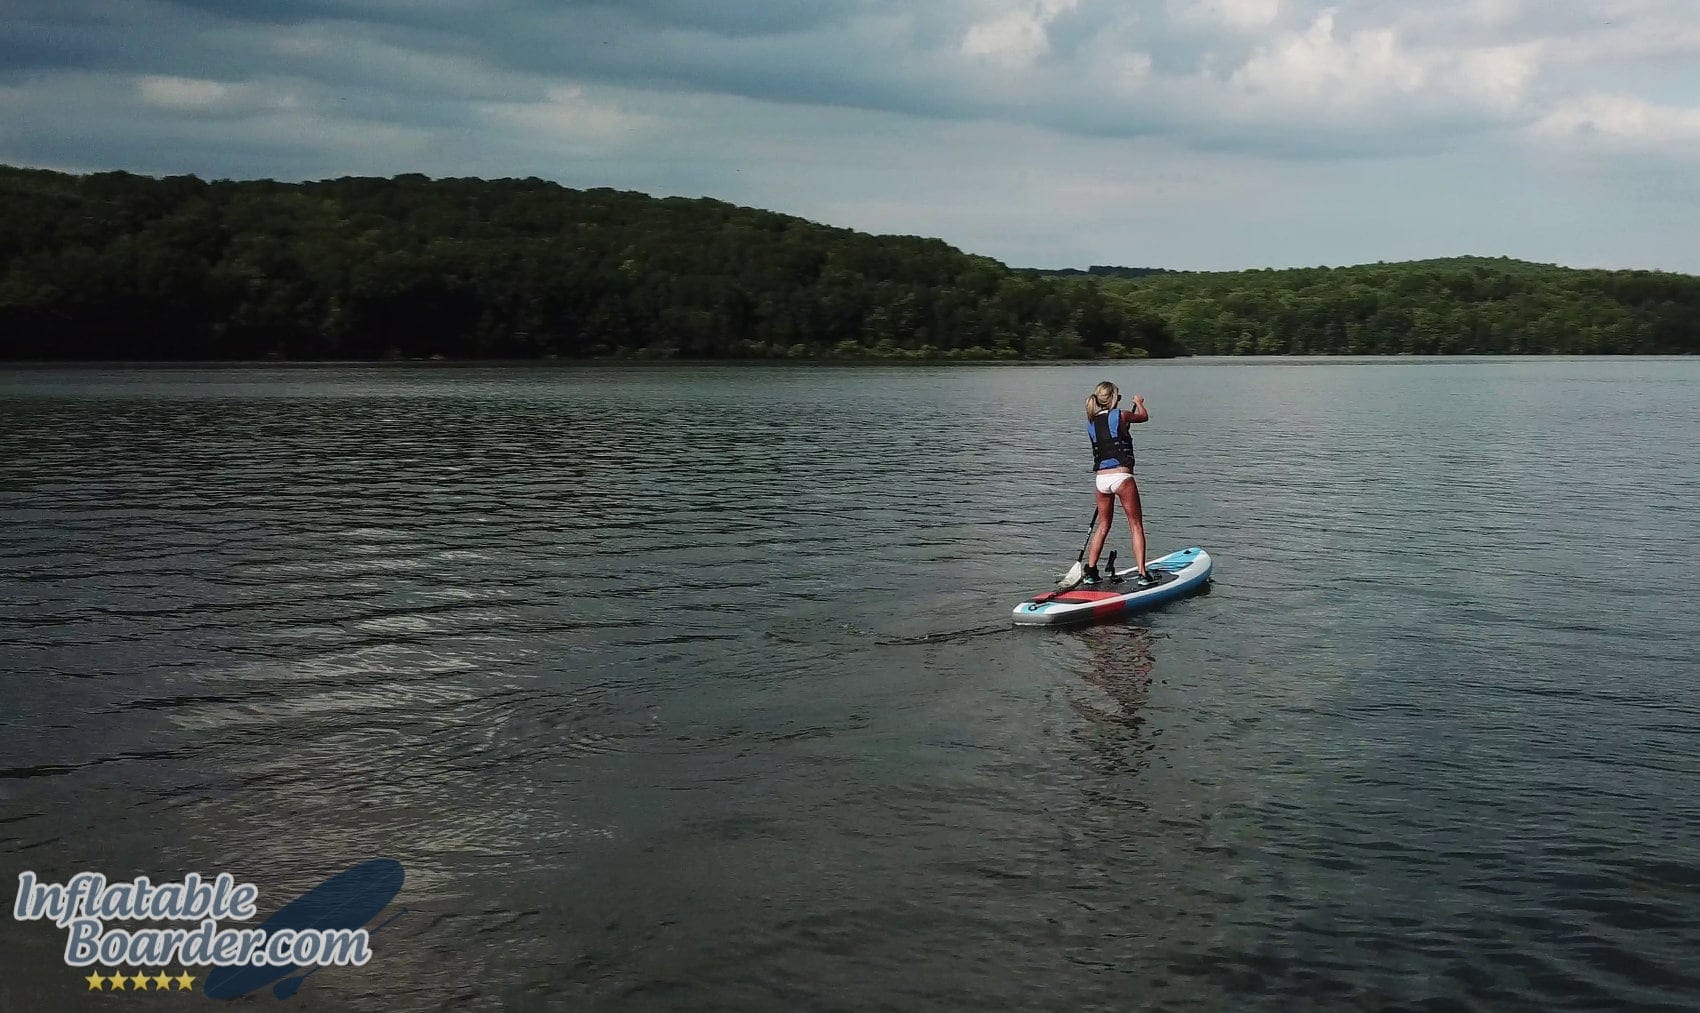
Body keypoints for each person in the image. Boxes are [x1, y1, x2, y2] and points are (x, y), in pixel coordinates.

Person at [1082, 380, 1155, 586]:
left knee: (1103, 525)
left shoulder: (1091, 422)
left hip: (1101, 479)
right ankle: (1142, 574)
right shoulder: (1122, 415)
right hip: (1122, 477)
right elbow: (1144, 416)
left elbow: (1110, 435)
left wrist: (1123, 430)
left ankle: (1091, 571)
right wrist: (1138, 402)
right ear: (1113, 398)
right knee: (1135, 525)